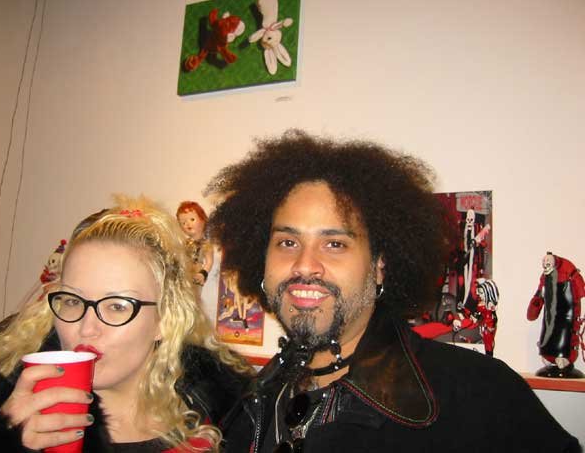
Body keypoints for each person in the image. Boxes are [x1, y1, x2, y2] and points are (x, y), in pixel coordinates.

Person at [204, 130, 581, 453]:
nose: (304, 265)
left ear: (380, 265)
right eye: (287, 242)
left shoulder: (480, 395)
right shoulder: (250, 402)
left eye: (335, 244)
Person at [0, 195, 252, 452]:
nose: (86, 328)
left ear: (164, 320)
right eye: (73, 301)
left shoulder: (223, 420)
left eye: (117, 306)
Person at [527, 252, 585, 378]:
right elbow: (540, 291)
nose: (545, 265)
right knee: (547, 335)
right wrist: (535, 304)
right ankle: (547, 356)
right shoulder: (545, 277)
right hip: (550, 313)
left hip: (567, 313)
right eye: (544, 263)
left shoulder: (568, 269)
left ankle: (563, 358)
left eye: (548, 263)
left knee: (564, 337)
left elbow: (581, 289)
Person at [176, 201, 214, 290]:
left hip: (197, 275)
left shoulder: (206, 244)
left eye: (192, 219)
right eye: (183, 223)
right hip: (184, 275)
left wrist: (203, 274)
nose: (188, 224)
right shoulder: (184, 243)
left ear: (203, 220)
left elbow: (209, 262)